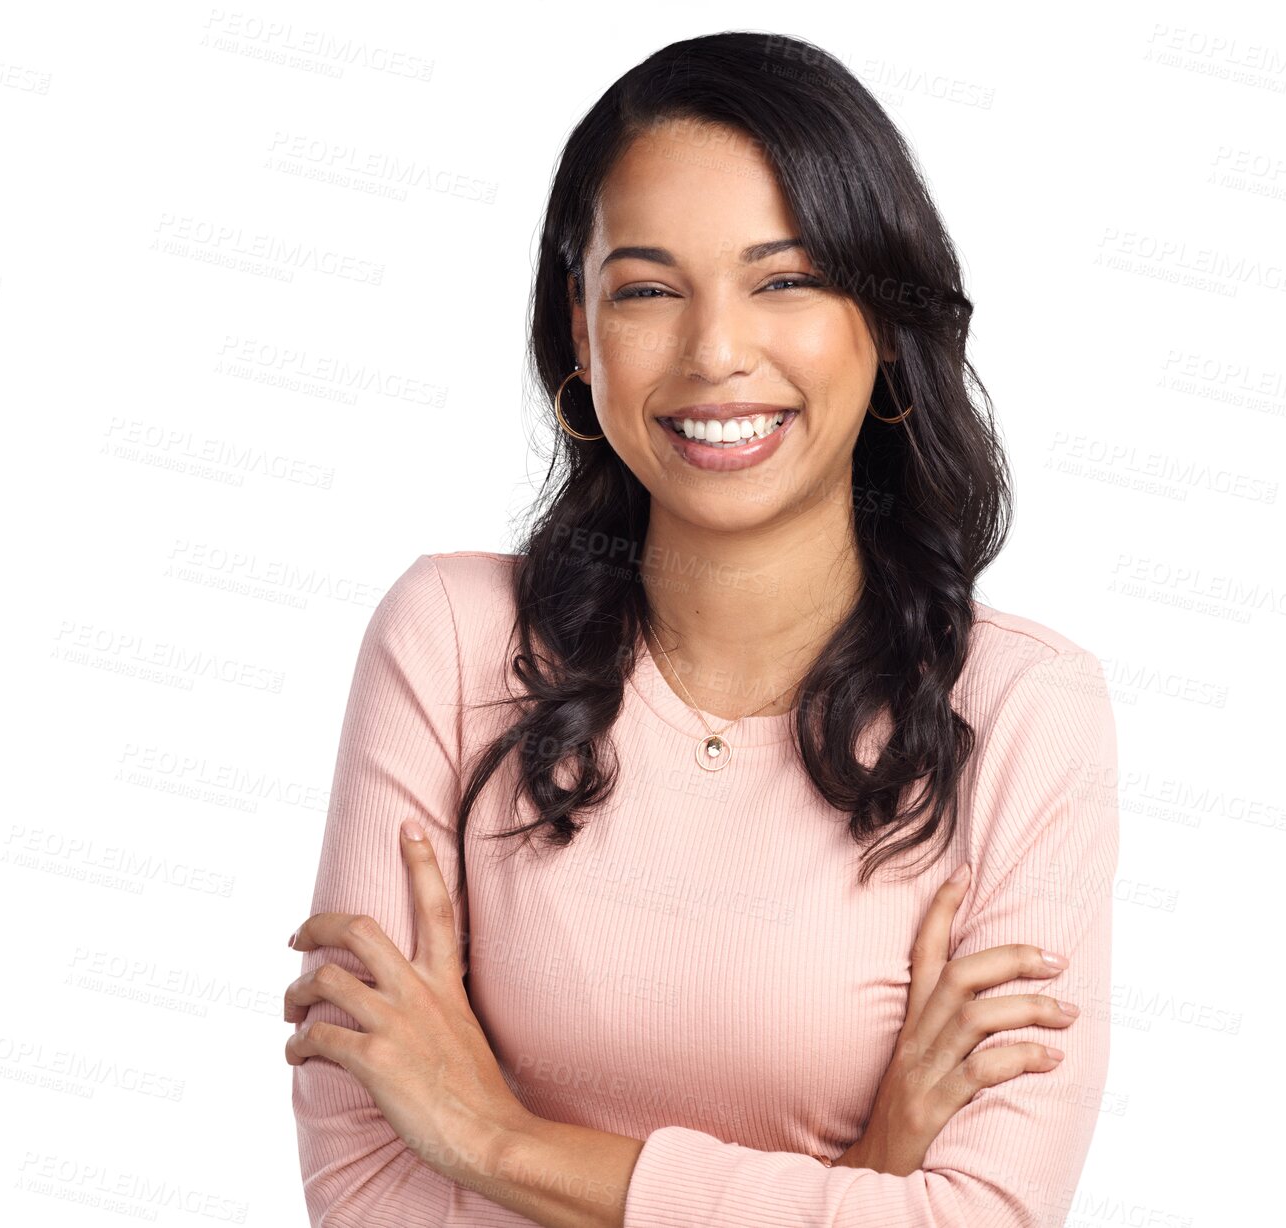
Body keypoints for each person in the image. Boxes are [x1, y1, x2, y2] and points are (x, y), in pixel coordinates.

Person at [284, 30, 1120, 1228]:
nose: (715, 353)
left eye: (783, 281)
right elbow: (365, 1191)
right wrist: (867, 1183)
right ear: (578, 337)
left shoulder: (1025, 711)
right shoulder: (451, 642)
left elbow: (979, 1219)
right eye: (644, 289)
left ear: (881, 322)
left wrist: (490, 1138)